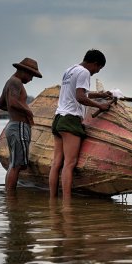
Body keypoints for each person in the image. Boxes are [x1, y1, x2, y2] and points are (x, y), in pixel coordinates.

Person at [49, 49, 112, 200]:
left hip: (58, 118)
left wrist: (101, 95)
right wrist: (100, 106)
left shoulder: (69, 70)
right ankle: (67, 203)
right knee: (69, 164)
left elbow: (81, 93)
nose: (96, 72)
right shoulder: (84, 72)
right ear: (95, 63)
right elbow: (80, 97)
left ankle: (52, 199)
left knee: (57, 162)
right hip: (71, 120)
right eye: (98, 68)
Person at [0, 57, 43, 192]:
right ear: (24, 71)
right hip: (19, 126)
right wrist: (28, 111)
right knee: (17, 165)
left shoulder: (10, 82)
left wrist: (16, 111)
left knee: (14, 164)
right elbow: (11, 102)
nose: (31, 79)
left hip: (13, 125)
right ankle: (11, 197)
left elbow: (1, 104)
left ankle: (9, 196)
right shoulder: (16, 82)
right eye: (31, 75)